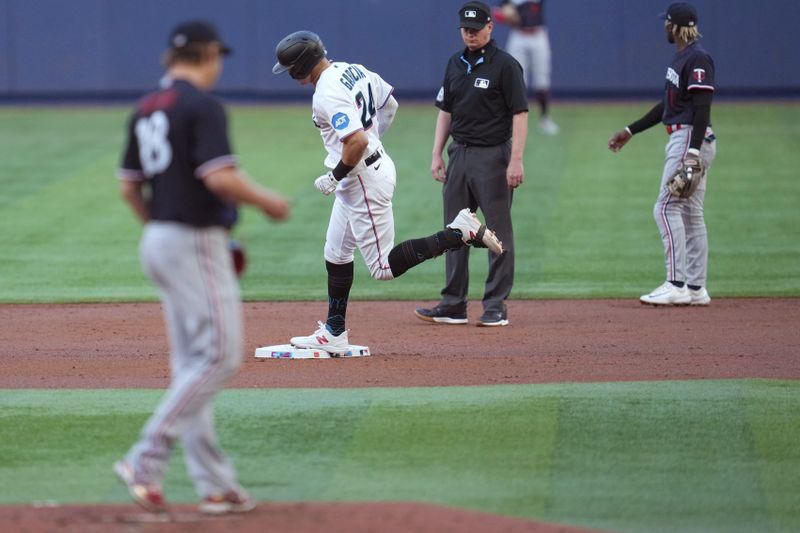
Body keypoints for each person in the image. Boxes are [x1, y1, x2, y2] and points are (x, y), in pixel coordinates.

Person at [114, 20, 290, 514]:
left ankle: (214, 484)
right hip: (193, 241)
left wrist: (159, 227)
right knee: (220, 357)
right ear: (208, 54)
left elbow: (129, 186)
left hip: (158, 239)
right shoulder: (201, 105)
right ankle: (146, 455)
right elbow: (219, 176)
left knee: (192, 365)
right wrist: (269, 202)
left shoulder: (146, 107)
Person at [272, 30, 503, 353]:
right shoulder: (352, 69)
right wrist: (372, 141)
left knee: (383, 267)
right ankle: (335, 332)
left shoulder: (326, 93)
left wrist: (336, 175)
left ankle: (459, 232)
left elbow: (356, 141)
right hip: (368, 171)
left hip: (361, 177)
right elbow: (389, 104)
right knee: (336, 252)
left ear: (300, 67)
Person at [415, 1, 529, 327]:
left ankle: (495, 305)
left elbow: (520, 113)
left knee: (497, 232)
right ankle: (453, 303)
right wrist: (437, 153)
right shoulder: (454, 63)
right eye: (466, 29)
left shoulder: (506, 66)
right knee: (454, 231)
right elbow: (445, 110)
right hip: (459, 155)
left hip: (494, 156)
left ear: (490, 27)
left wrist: (516, 160)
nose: (470, 34)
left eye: (476, 29)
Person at [608, 2, 717, 306]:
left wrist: (693, 152)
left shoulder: (697, 57)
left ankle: (676, 284)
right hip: (687, 135)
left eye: (665, 23)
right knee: (691, 212)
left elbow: (701, 108)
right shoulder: (683, 57)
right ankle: (696, 288)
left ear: (673, 26)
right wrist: (631, 131)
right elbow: (669, 106)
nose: (663, 28)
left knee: (665, 207)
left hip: (688, 138)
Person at [492, 0, 559, 135]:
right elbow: (497, 11)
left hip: (538, 35)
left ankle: (544, 119)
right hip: (518, 35)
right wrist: (506, 15)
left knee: (542, 80)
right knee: (516, 80)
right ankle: (511, 121)